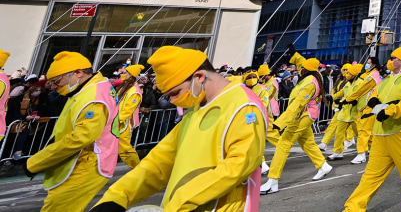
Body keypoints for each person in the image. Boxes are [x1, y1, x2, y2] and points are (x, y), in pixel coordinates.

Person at [89, 46, 267, 212]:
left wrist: (178, 203)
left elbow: (238, 165)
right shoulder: (198, 106)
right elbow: (161, 160)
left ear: (199, 77)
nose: (173, 101)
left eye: (176, 92)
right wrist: (117, 197)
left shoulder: (244, 105)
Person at [23, 52, 118, 212]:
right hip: (82, 162)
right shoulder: (93, 88)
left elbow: (80, 138)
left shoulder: (93, 98)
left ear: (78, 72)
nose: (53, 87)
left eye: (56, 81)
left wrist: (35, 163)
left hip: (84, 164)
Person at [344, 46, 401, 212]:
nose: (390, 60)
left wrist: (389, 111)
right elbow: (376, 93)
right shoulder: (389, 78)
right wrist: (376, 104)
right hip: (382, 132)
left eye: (394, 58)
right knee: (371, 175)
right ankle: (353, 207)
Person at [261, 54, 332, 193]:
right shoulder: (311, 76)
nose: (299, 69)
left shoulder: (309, 82)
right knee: (307, 143)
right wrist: (294, 54)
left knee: (283, 144)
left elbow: (297, 104)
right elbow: (303, 63)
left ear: (306, 69)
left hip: (302, 116)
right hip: (304, 115)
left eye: (302, 68)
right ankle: (323, 165)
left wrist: (280, 122)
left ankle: (272, 181)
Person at [324, 64, 361, 159]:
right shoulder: (348, 84)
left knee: (360, 133)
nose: (346, 74)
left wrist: (348, 100)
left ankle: (368, 148)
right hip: (345, 112)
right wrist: (332, 97)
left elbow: (358, 96)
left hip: (354, 113)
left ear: (354, 74)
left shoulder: (360, 83)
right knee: (339, 132)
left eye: (349, 72)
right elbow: (341, 93)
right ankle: (338, 152)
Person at [348, 58, 381, 164]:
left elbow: (361, 89)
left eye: (368, 63)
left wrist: (348, 99)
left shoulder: (372, 76)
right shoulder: (369, 74)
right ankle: (376, 150)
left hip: (369, 106)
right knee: (368, 132)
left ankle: (361, 154)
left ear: (374, 65)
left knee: (363, 131)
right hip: (364, 106)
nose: (366, 64)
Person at [114, 64, 144, 168]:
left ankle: (138, 169)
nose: (123, 74)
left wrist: (115, 121)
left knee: (125, 150)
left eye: (126, 73)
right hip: (115, 122)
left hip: (122, 125)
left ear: (131, 75)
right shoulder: (125, 87)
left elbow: (127, 111)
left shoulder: (134, 92)